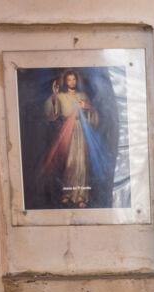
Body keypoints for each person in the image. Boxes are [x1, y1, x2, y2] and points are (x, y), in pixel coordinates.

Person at [40, 71, 101, 208]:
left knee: (82, 163)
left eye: (74, 79)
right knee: (69, 163)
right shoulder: (61, 96)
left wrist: (88, 107)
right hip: (67, 132)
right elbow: (52, 113)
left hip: (83, 132)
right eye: (69, 80)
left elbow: (93, 115)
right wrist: (54, 96)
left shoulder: (83, 96)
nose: (72, 82)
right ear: (65, 82)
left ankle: (81, 196)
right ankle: (67, 194)